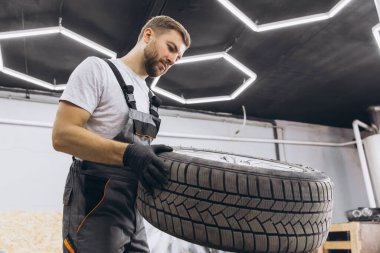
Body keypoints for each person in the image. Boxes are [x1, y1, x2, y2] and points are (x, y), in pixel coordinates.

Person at [52, 15, 191, 253]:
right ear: (148, 35)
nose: (172, 60)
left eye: (177, 58)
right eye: (171, 48)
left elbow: (138, 153)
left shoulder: (149, 98)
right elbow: (62, 136)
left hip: (133, 208)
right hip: (95, 202)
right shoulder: (98, 69)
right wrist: (130, 153)